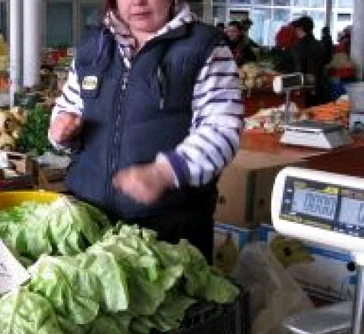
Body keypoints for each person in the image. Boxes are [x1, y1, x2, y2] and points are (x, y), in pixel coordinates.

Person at [49, 0, 243, 262]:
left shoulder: (205, 46)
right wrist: (61, 128)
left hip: (169, 231)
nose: (138, 2)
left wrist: (165, 171)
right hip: (90, 221)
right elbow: (70, 105)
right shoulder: (94, 46)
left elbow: (222, 129)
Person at [291, 16, 328, 106]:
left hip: (305, 89)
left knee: (306, 115)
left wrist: (296, 89)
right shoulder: (320, 44)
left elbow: (299, 69)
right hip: (320, 86)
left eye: (296, 29)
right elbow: (326, 61)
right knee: (319, 114)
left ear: (301, 29)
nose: (296, 31)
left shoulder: (298, 46)